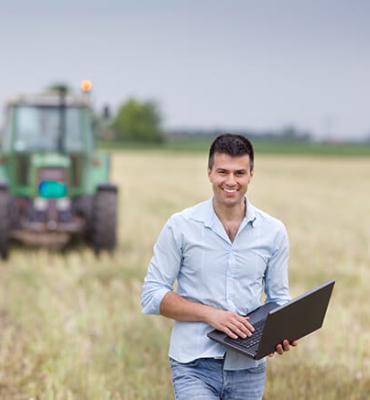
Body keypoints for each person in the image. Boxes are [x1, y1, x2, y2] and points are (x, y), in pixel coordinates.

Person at [141, 134, 297, 400]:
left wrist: (281, 333)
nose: (231, 181)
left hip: (249, 369)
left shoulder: (274, 232)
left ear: (251, 175)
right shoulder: (181, 226)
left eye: (240, 173)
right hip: (193, 365)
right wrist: (210, 315)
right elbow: (152, 295)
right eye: (222, 172)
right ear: (210, 173)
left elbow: (278, 299)